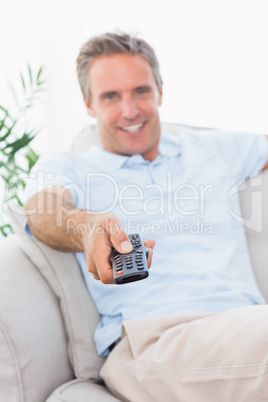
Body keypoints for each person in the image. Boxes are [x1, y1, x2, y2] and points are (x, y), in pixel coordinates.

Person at [24, 32, 268, 401]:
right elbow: (43, 211)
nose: (130, 110)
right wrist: (85, 226)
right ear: (89, 104)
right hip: (153, 341)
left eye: (140, 91)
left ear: (160, 92)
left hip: (242, 325)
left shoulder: (212, 148)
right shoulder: (69, 167)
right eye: (110, 96)